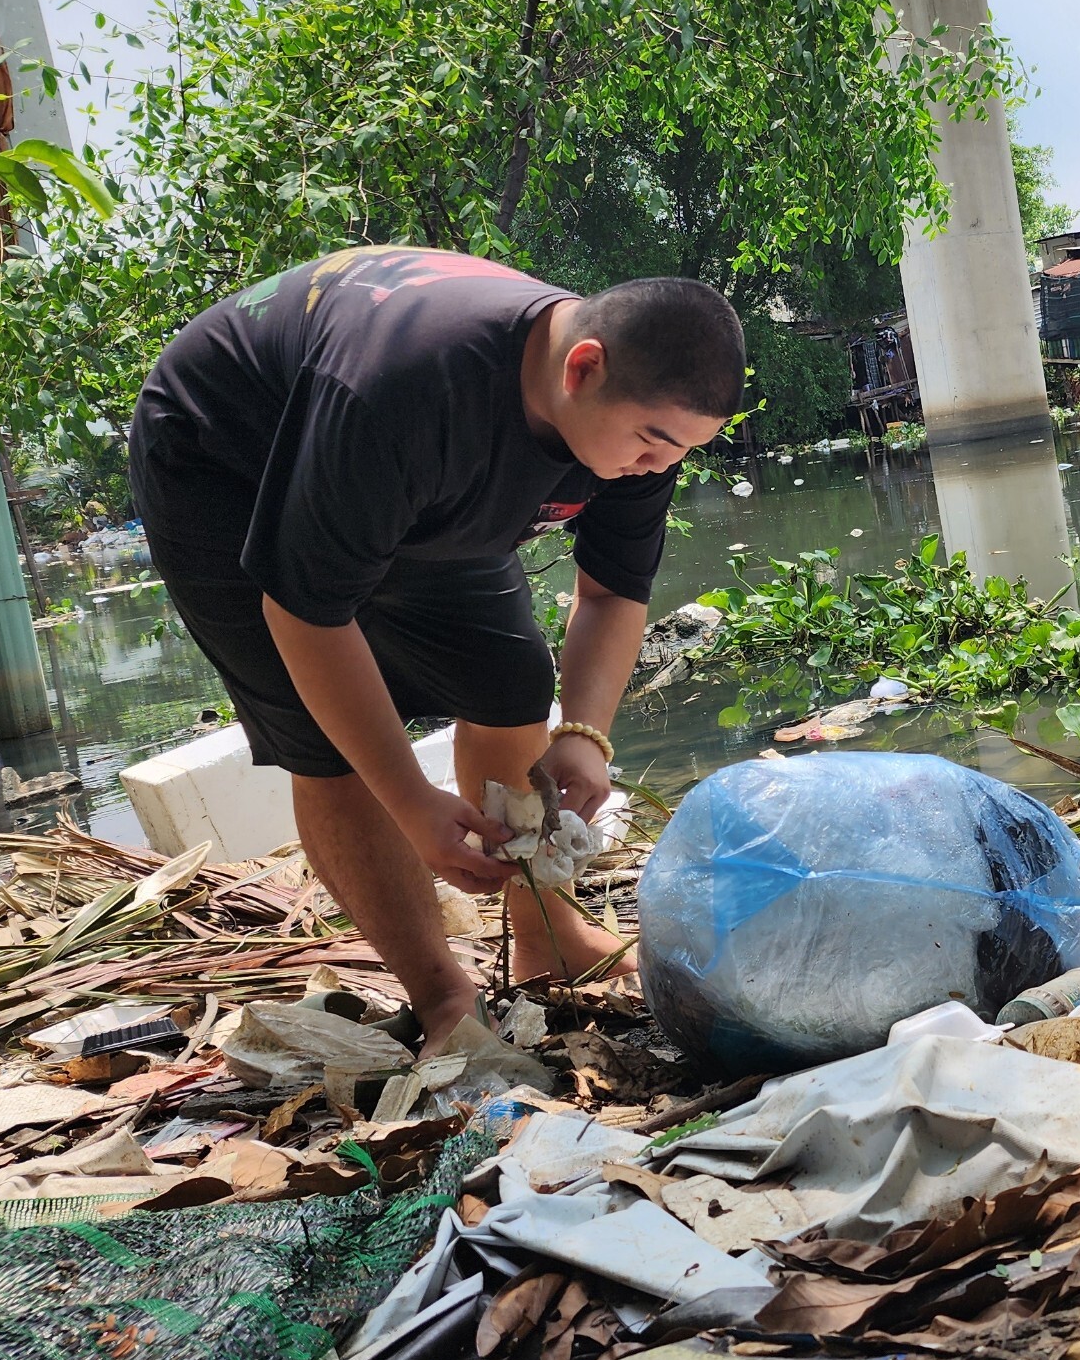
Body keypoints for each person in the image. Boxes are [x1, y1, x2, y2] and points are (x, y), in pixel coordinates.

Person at [129, 245, 744, 1051]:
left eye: (682, 453)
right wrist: (414, 806)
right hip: (225, 461)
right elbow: (307, 614)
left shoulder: (637, 420)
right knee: (327, 747)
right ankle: (442, 995)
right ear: (582, 367)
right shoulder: (404, 390)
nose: (657, 468)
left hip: (398, 476)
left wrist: (586, 736)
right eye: (652, 442)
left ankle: (545, 936)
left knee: (507, 680)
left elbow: (613, 592)